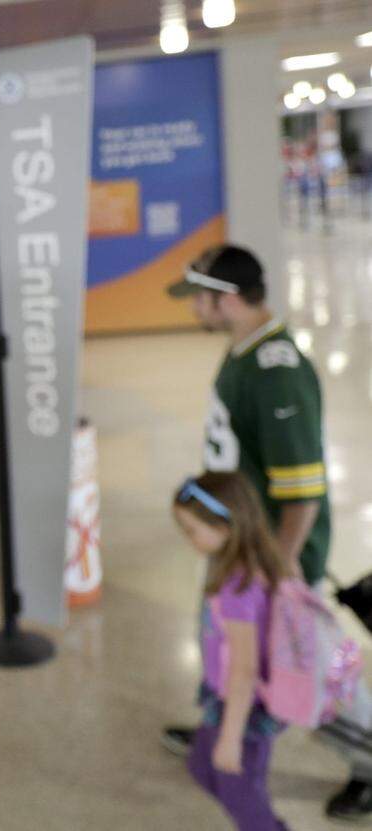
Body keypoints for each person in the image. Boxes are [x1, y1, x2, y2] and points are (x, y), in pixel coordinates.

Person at [163, 245, 372, 822]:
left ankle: (368, 757)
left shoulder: (275, 371)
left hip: (270, 557)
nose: (193, 311)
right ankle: (221, 718)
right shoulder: (244, 352)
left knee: (300, 666)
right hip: (239, 545)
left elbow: (302, 490)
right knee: (234, 649)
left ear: (227, 300)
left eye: (199, 301)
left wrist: (275, 569)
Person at [173, 472, 292, 830]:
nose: (189, 540)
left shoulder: (238, 588)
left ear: (226, 527)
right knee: (201, 767)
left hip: (243, 709)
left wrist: (230, 737)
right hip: (223, 697)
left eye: (192, 530)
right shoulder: (250, 564)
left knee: (243, 799)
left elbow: (244, 670)